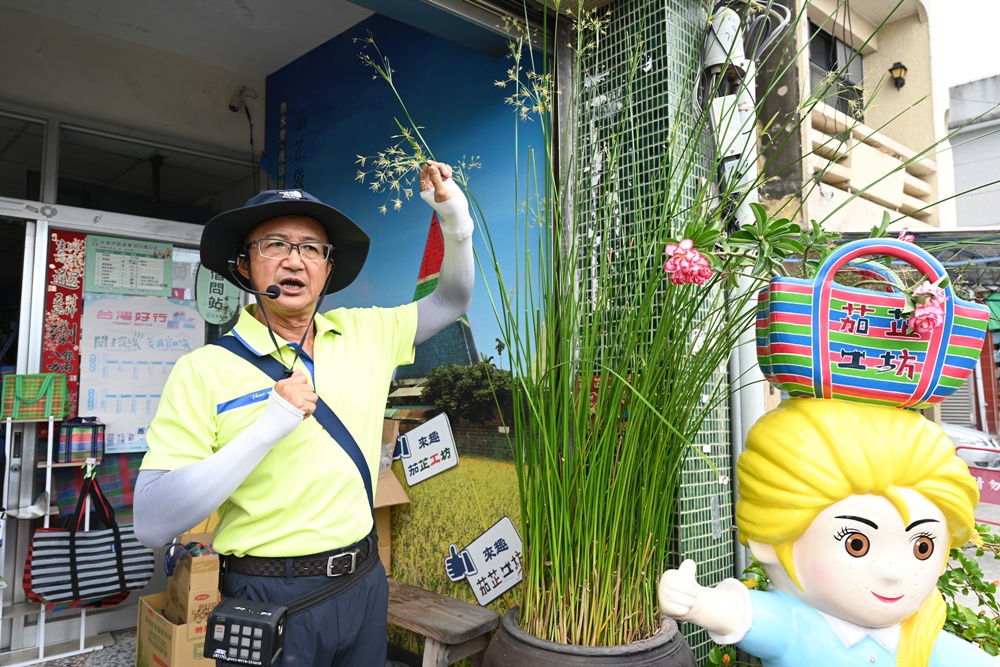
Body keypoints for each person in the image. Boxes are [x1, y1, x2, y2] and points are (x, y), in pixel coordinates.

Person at [135, 160, 474, 666]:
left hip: (363, 583)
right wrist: (264, 430)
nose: (295, 261)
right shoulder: (202, 370)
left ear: (327, 268)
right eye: (274, 245)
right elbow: (152, 521)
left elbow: (452, 300)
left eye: (311, 248)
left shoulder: (366, 332)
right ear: (245, 265)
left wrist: (455, 220)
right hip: (266, 595)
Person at [658, 397, 996, 666]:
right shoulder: (797, 627)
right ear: (769, 542)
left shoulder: (919, 635)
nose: (895, 572)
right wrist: (696, 601)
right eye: (857, 543)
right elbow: (739, 614)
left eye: (922, 547)